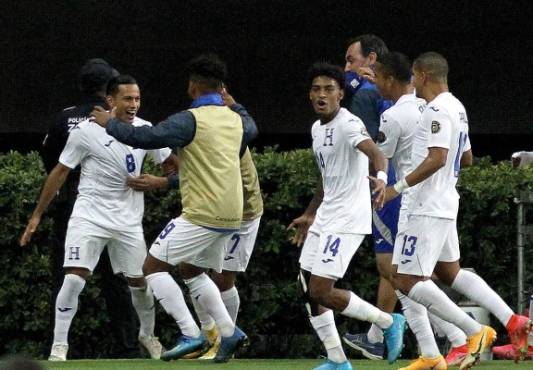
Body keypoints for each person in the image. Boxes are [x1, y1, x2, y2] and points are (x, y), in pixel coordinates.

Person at [90, 53, 258, 363]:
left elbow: (146, 137)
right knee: (191, 270)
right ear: (221, 88)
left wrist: (109, 123)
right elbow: (252, 128)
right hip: (234, 215)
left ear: (193, 86)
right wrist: (235, 104)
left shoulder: (189, 120)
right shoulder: (235, 119)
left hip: (202, 213)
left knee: (151, 268)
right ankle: (228, 331)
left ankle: (191, 333)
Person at [385, 52, 531, 370]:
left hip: (425, 206)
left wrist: (396, 188)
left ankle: (473, 331)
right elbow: (465, 158)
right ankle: (513, 320)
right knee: (450, 273)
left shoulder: (436, 109)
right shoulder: (458, 107)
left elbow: (438, 157)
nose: (412, 82)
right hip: (445, 201)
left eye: (413, 76)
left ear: (423, 75)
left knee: (405, 278)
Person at [20, 74, 174, 361]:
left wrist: (159, 182)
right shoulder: (87, 131)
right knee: (74, 278)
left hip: (128, 221)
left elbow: (172, 169)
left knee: (139, 283)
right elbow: (60, 171)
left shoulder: (145, 130)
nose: (134, 104)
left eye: (137, 98)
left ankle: (148, 336)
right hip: (89, 217)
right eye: (127, 98)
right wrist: (36, 215)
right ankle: (59, 346)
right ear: (111, 101)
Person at [289, 62, 406, 370]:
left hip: (348, 219)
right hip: (326, 216)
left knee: (321, 290)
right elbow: (326, 178)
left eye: (329, 89)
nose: (321, 95)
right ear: (310, 94)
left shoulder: (348, 123)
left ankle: (386, 322)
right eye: (316, 89)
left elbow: (377, 154)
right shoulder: (317, 128)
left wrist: (381, 176)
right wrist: (310, 214)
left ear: (341, 93)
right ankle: (337, 361)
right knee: (306, 283)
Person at [40, 58, 140, 358]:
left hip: (73, 208)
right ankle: (129, 348)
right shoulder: (117, 120)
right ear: (110, 88)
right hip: (113, 211)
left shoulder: (64, 118)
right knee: (119, 282)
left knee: (67, 278)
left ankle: (57, 347)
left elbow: (53, 164)